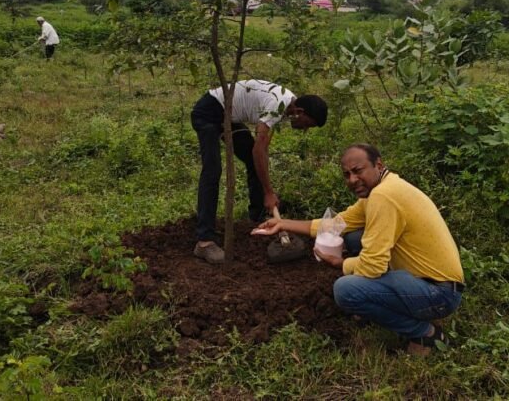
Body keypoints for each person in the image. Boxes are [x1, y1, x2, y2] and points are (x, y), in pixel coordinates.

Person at [252, 143, 465, 355]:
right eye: (346, 174)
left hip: (439, 295)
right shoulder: (385, 188)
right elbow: (337, 224)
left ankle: (424, 333)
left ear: (378, 165)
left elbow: (373, 266)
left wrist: (341, 264)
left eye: (358, 171)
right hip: (432, 282)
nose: (352, 180)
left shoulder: (383, 197)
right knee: (354, 238)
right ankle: (388, 301)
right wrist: (282, 223)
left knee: (346, 290)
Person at [191, 79, 328, 264]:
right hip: (208, 111)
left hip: (229, 116)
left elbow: (261, 149)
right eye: (307, 124)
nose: (304, 130)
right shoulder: (278, 105)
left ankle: (257, 216)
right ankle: (204, 242)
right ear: (299, 112)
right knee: (212, 172)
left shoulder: (287, 105)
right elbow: (259, 149)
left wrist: (267, 189)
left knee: (253, 158)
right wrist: (269, 192)